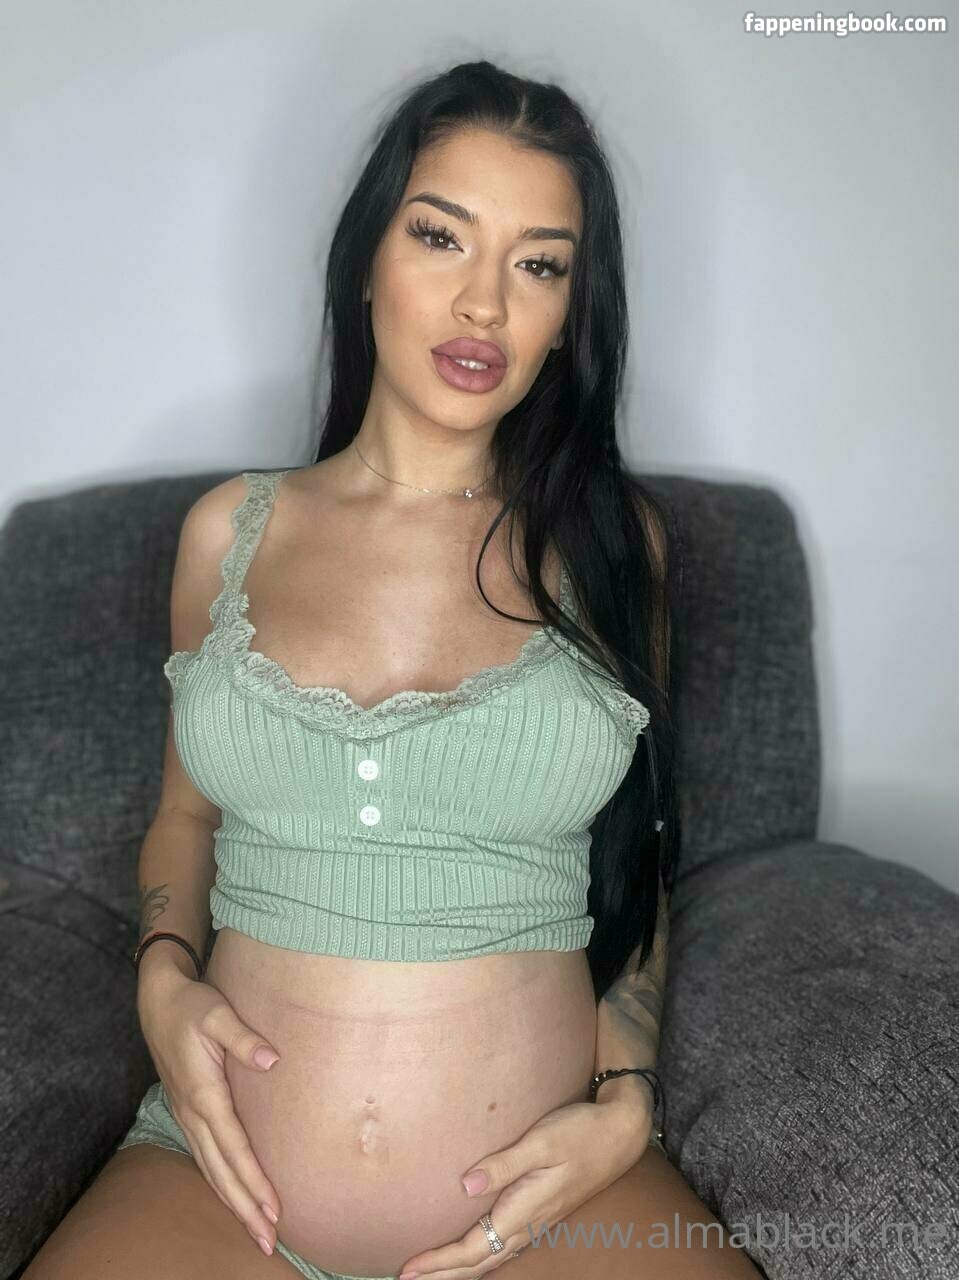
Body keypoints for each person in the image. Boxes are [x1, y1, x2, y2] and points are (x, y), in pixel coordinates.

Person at [23, 60, 762, 1280]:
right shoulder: (228, 534)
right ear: (366, 255)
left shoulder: (612, 546)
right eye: (439, 236)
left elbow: (639, 845)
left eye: (539, 264)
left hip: (545, 1212)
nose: (484, 303)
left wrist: (626, 1095)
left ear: (571, 312)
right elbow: (183, 815)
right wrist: (162, 980)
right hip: (217, 1187)